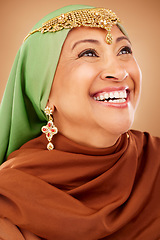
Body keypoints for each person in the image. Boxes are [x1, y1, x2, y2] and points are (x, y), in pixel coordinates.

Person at [0, 4, 159, 240]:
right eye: (88, 53)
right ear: (44, 92)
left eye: (124, 50)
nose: (119, 71)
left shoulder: (154, 162)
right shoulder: (9, 198)